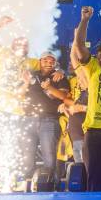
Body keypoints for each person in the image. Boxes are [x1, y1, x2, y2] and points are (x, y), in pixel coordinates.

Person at [0, 16, 40, 185]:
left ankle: (10, 181)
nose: (22, 46)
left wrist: (58, 71)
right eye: (19, 43)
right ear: (12, 44)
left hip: (16, 111)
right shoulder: (2, 53)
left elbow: (49, 63)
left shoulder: (30, 62)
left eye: (25, 44)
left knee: (14, 146)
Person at [71, 6, 101, 191]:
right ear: (96, 56)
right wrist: (85, 20)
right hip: (93, 130)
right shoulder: (92, 67)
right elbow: (79, 46)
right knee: (93, 174)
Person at [22, 51, 70, 180]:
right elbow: (19, 94)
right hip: (28, 119)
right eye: (45, 61)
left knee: (49, 156)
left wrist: (49, 87)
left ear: (55, 63)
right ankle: (26, 184)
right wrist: (26, 83)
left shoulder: (59, 77)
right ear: (40, 61)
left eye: (51, 61)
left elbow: (63, 96)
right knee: (26, 157)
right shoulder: (31, 75)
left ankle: (50, 185)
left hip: (49, 120)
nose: (49, 63)